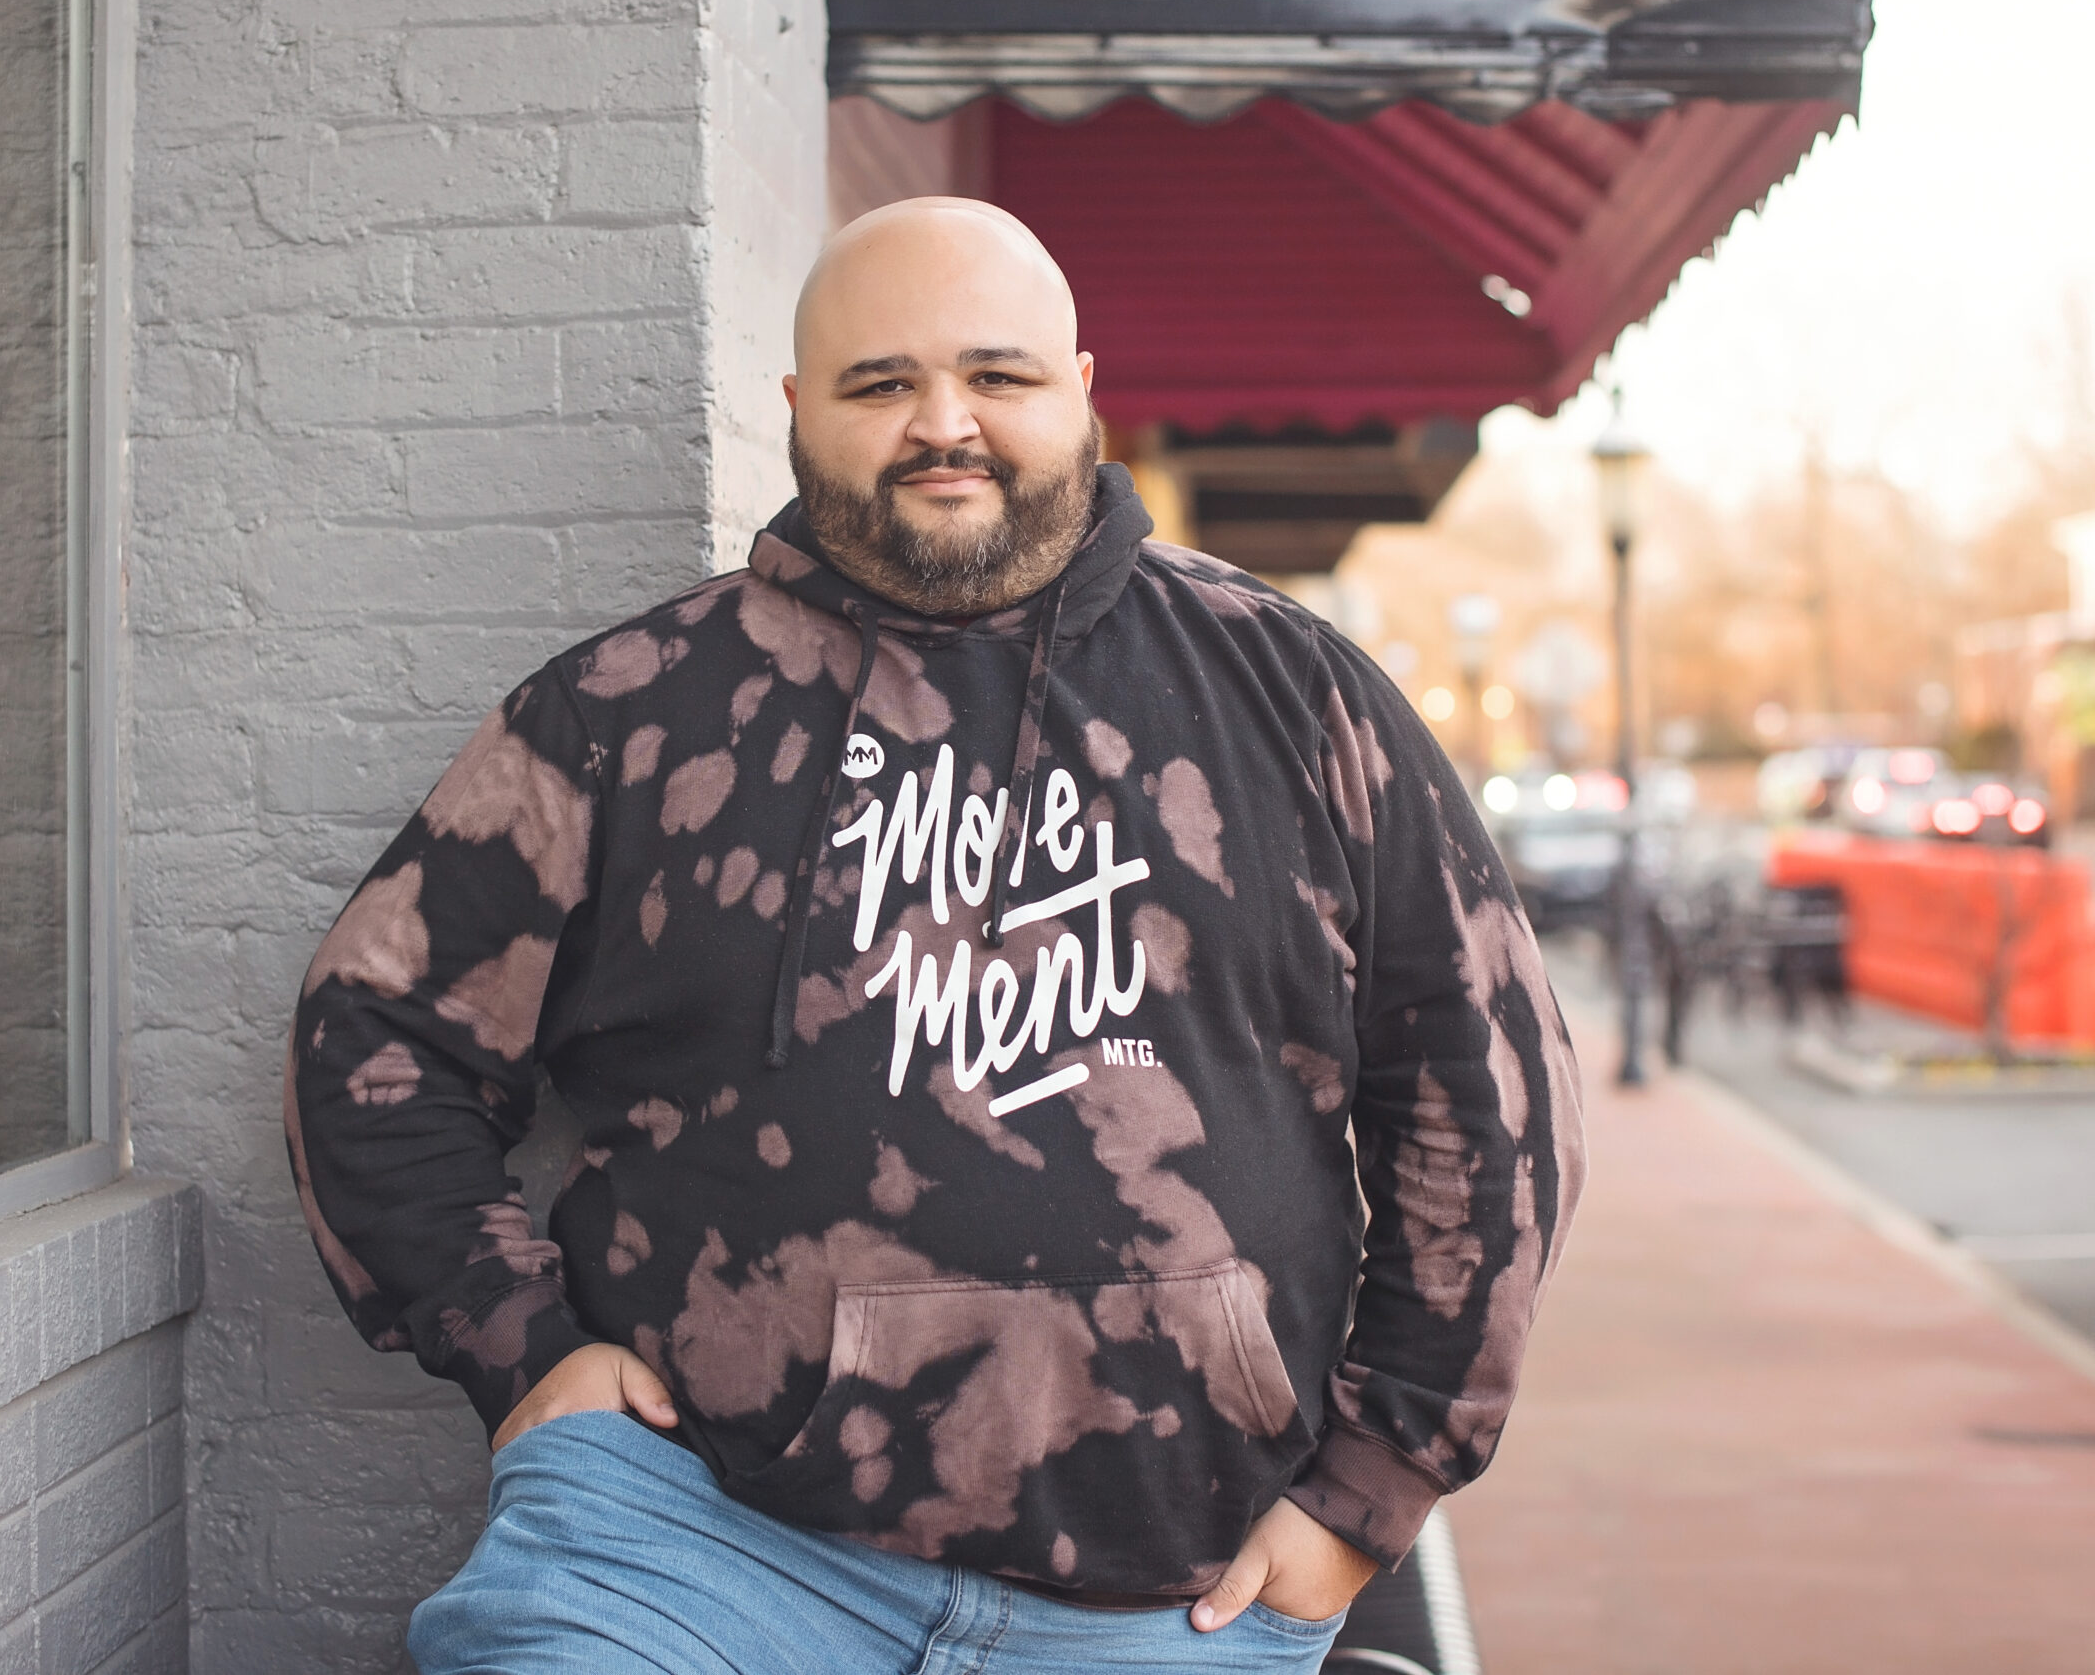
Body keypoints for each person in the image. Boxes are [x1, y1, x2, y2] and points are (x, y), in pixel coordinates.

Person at [287, 198, 1584, 1673]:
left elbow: (1488, 1092)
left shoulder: (1295, 699)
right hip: (700, 1550)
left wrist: (1374, 1484)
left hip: (1178, 1585)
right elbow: (374, 1028)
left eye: (997, 377)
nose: (941, 425)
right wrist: (514, 1348)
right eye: (880, 383)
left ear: (1084, 388)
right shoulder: (629, 714)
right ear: (796, 410)